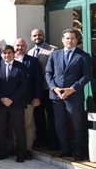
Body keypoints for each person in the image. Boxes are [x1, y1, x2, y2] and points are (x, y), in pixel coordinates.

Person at [45, 28, 93, 161]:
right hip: (56, 96)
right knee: (60, 125)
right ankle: (65, 150)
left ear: (77, 40)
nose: (69, 41)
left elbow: (87, 76)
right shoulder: (55, 54)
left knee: (77, 125)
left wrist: (72, 89)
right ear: (62, 40)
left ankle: (78, 152)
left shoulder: (84, 56)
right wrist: (54, 89)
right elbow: (48, 73)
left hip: (74, 96)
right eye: (67, 38)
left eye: (72, 38)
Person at [0, 45, 29, 162]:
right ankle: (2, 152)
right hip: (1, 103)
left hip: (16, 103)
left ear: (13, 53)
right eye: (4, 53)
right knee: (1, 128)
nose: (7, 55)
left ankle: (21, 153)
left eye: (9, 53)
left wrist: (11, 98)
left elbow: (24, 85)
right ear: (1, 55)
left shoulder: (21, 67)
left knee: (19, 129)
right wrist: (2, 98)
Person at [28, 28, 58, 150]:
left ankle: (53, 142)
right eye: (35, 35)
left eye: (39, 35)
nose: (37, 37)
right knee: (38, 117)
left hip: (48, 89)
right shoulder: (30, 52)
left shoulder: (53, 50)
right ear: (31, 38)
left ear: (44, 36)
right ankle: (41, 140)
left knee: (52, 117)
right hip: (36, 90)